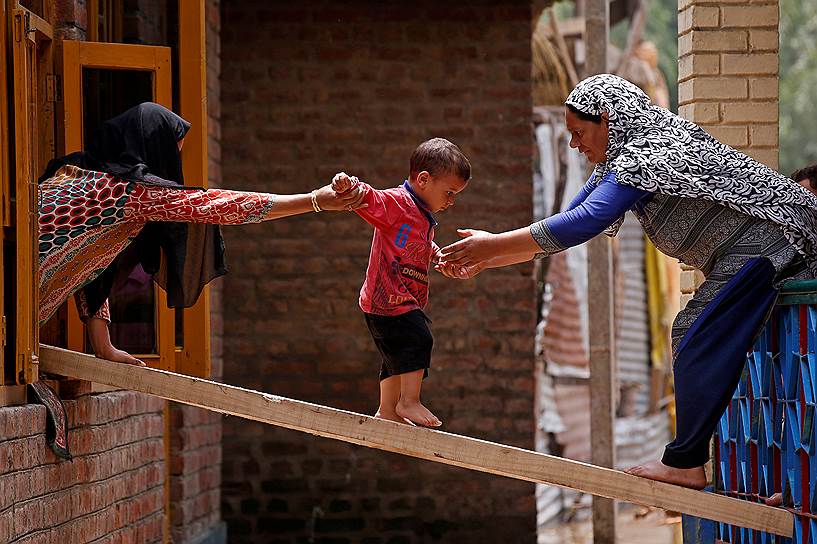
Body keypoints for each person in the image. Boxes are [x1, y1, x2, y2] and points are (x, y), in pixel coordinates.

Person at [438, 74, 817, 489]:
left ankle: (687, 462)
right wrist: (487, 257)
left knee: (694, 332)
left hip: (774, 240)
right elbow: (562, 227)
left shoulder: (645, 153)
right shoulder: (620, 159)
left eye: (579, 132)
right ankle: (735, 470)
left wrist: (491, 249)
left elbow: (584, 222)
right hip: (760, 248)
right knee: (719, 339)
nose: (574, 145)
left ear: (607, 119)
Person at [39, 102, 366, 366]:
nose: (170, 164)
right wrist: (313, 201)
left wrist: (104, 347)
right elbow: (218, 205)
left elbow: (92, 272)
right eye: (168, 151)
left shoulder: (79, 172)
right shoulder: (128, 192)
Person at [331, 138, 471, 427]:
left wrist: (436, 255)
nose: (451, 201)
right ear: (423, 179)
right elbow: (372, 199)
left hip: (394, 302)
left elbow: (417, 244)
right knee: (420, 339)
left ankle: (387, 410)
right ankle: (409, 401)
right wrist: (350, 187)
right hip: (388, 300)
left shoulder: (421, 215)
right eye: (449, 192)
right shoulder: (398, 203)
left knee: (395, 357)